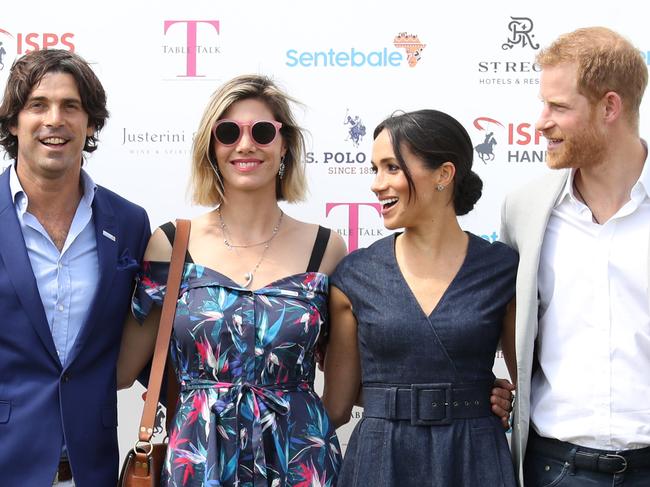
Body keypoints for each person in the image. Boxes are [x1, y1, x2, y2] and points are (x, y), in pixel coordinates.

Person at [117, 74, 346, 486]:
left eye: (262, 132)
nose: (245, 145)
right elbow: (121, 368)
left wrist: (471, 390)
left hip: (300, 462)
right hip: (199, 459)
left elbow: (356, 372)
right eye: (228, 133)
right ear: (211, 149)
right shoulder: (171, 243)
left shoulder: (327, 247)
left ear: (285, 147)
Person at [323, 109, 518, 486]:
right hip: (381, 460)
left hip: (474, 458)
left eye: (392, 167)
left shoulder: (502, 269)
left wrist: (506, 399)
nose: (377, 184)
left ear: (444, 174)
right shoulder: (355, 275)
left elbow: (530, 387)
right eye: (375, 169)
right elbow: (336, 406)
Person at [500, 27, 650, 486]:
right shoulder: (524, 209)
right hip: (556, 468)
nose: (540, 122)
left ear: (610, 106)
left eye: (559, 107)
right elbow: (510, 324)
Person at [0, 49, 150, 486]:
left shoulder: (128, 223)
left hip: (91, 471)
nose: (55, 119)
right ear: (13, 122)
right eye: (38, 105)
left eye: (71, 106)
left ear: (91, 124)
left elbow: (145, 338)